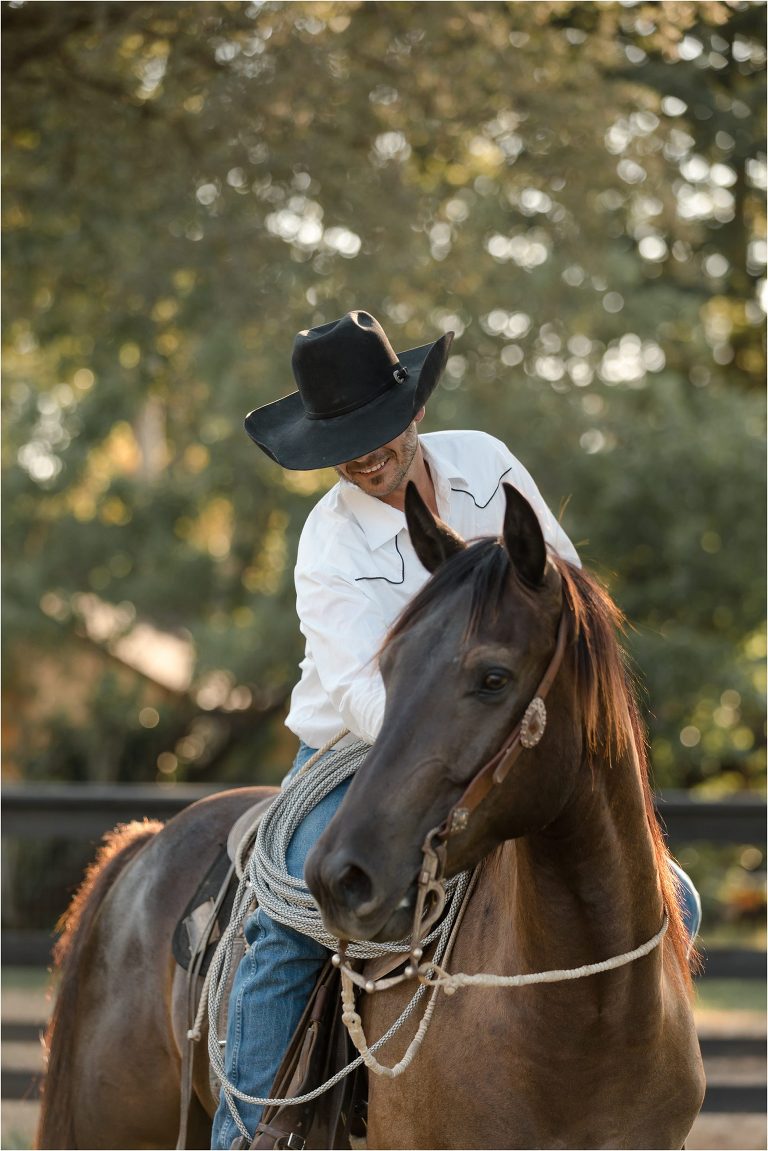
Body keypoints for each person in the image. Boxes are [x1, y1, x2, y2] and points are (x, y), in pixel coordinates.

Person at [211, 310, 699, 1149]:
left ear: (414, 411)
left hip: (503, 730)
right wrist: (436, 740)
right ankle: (248, 1132)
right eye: (345, 443)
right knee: (292, 912)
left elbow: (564, 591)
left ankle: (628, 1080)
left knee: (671, 894)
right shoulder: (328, 539)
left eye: (379, 432)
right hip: (358, 751)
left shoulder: (485, 463)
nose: (368, 457)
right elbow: (362, 689)